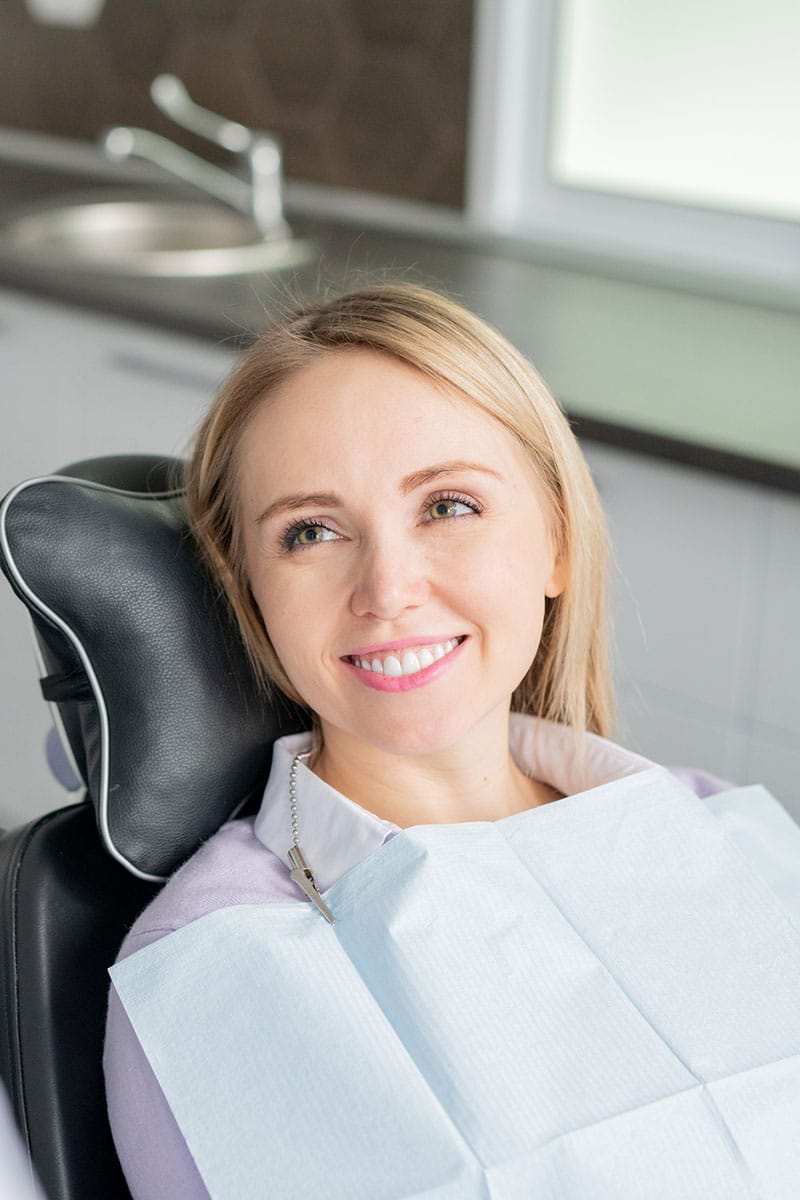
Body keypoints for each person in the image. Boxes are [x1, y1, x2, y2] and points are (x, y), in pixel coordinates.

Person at [103, 284, 800, 1200]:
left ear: (554, 538)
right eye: (310, 532)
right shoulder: (211, 965)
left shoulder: (719, 829)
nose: (388, 589)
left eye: (448, 506)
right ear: (252, 595)